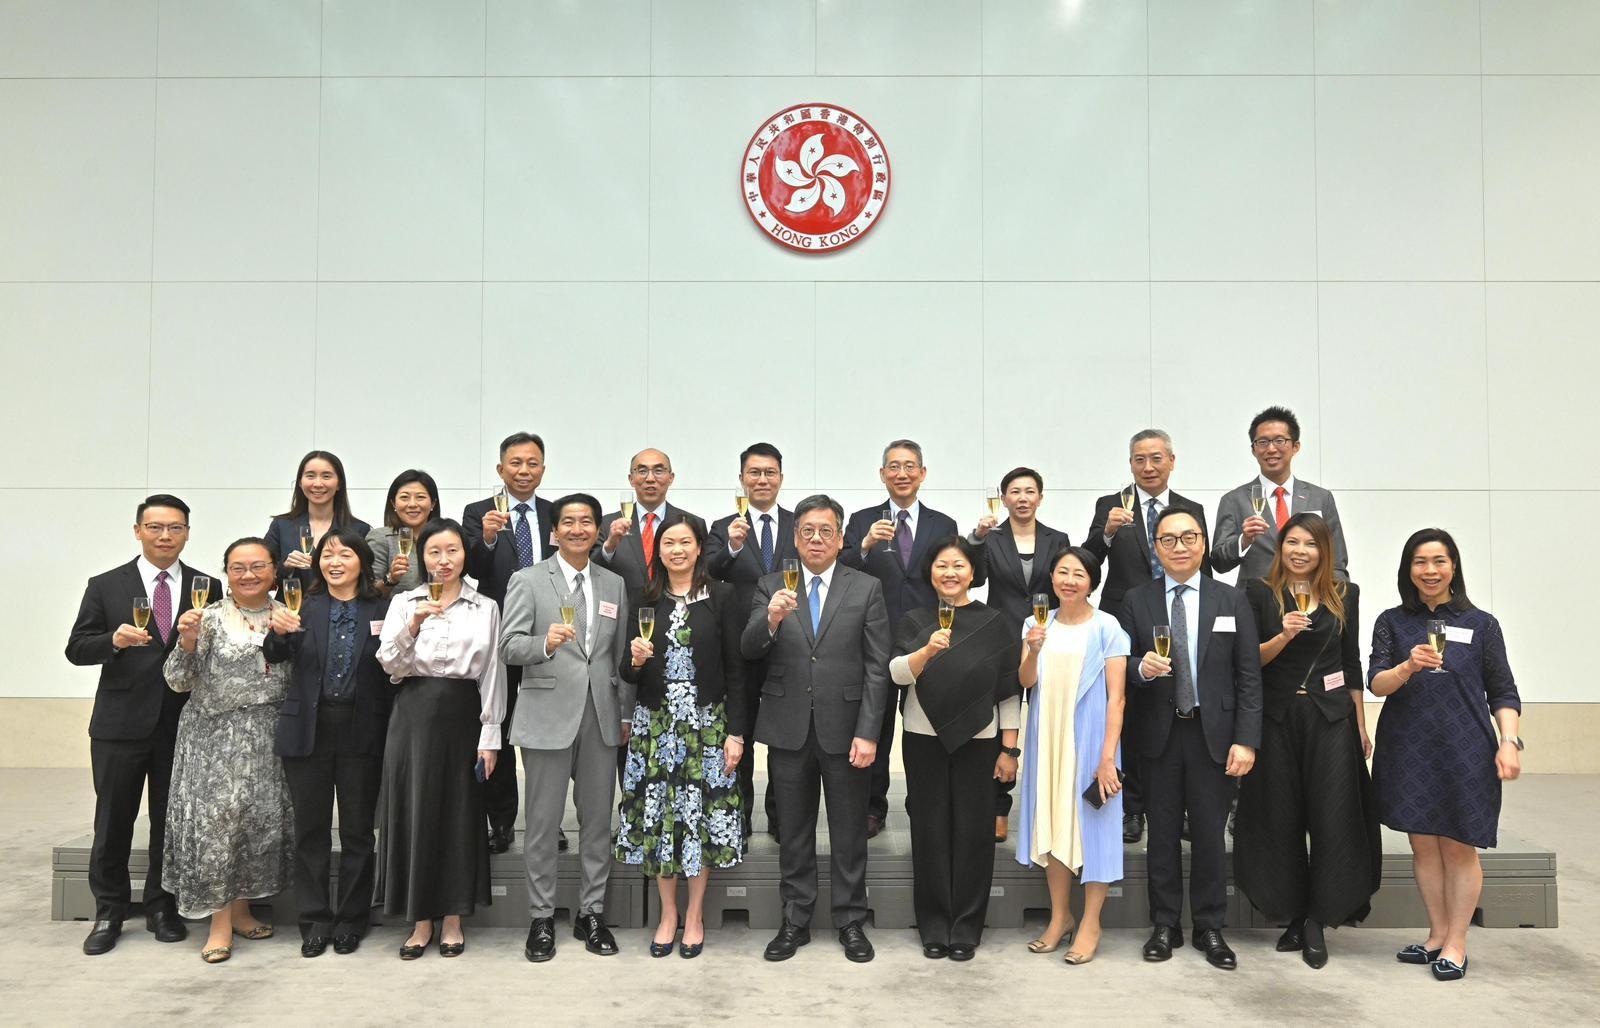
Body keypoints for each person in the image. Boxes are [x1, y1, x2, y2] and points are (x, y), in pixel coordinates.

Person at [742, 495, 891, 964]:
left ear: (841, 537)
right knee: (794, 831)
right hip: (788, 728)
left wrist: (869, 732)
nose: (816, 539)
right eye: (807, 530)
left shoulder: (865, 587)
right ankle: (796, 919)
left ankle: (850, 920)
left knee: (849, 831)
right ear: (795, 537)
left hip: (847, 730)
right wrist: (771, 619)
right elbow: (748, 650)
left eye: (826, 530)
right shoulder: (771, 585)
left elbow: (876, 667)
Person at [1368, 529, 1522, 982]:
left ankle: (1457, 943)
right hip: (1408, 746)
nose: (1429, 571)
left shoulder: (1482, 623)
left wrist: (1509, 740)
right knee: (1422, 844)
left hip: (1467, 748)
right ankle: (1436, 934)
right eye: (1420, 562)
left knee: (1458, 846)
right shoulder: (1392, 622)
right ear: (1408, 569)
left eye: (1439, 561)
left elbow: (1504, 690)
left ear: (1454, 566)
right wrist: (1407, 666)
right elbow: (1377, 683)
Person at [66, 495, 212, 955]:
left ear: (187, 532)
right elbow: (77, 647)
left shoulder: (207, 586)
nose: (165, 536)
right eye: (155, 527)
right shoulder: (106, 585)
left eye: (174, 528)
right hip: (119, 723)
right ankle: (109, 911)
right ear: (137, 531)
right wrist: (112, 639)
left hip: (181, 725)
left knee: (170, 821)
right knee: (113, 821)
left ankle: (162, 906)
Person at [1234, 513, 1380, 969]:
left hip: (1331, 718)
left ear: (1324, 551)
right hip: (1276, 718)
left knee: (1333, 816)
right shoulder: (1258, 593)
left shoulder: (1344, 595)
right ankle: (1294, 913)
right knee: (1280, 817)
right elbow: (1248, 660)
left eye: (1310, 544)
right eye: (1292, 542)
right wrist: (1284, 635)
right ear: (1281, 549)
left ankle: (1321, 917)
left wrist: (1359, 722)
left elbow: (1351, 663)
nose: (1300, 551)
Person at [1118, 508, 1261, 971]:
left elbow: (1248, 676)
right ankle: (1164, 924)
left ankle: (1209, 926)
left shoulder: (1230, 599)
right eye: (1168, 539)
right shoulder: (1136, 600)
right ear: (1156, 547)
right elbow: (1120, 663)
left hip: (1213, 735)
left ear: (1202, 544)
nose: (1179, 546)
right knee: (1159, 835)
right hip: (1158, 733)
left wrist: (1247, 740)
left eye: (1188, 537)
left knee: (1208, 834)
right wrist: (1141, 667)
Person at [500, 494, 632, 962]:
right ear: (554, 531)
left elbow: (617, 658)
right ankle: (541, 917)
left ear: (599, 530)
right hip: (547, 716)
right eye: (569, 522)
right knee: (542, 824)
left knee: (598, 822)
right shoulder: (528, 580)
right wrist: (544, 643)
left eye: (588, 522)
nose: (578, 529)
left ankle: (591, 912)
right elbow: (509, 646)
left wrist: (626, 713)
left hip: (600, 715)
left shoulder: (613, 583)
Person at [376, 519, 507, 960]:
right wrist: (412, 625)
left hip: (463, 715)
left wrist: (490, 735)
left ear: (464, 555)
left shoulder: (484, 606)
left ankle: (453, 918)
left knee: (459, 813)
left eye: (452, 551)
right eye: (434, 552)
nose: (443, 560)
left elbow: (492, 672)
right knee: (414, 812)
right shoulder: (403, 601)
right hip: (412, 715)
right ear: (422, 557)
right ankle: (420, 921)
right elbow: (389, 665)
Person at [617, 515, 747, 958]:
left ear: (699, 550)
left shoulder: (722, 596)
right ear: (659, 551)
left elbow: (736, 670)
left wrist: (737, 734)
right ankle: (667, 913)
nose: (676, 549)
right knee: (660, 821)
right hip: (657, 728)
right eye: (668, 542)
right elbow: (625, 671)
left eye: (685, 542)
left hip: (707, 727)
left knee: (700, 822)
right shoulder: (644, 598)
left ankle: (695, 915)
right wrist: (634, 660)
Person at [840, 440, 984, 838]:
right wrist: (866, 544)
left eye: (909, 466)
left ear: (923, 473)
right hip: (875, 636)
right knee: (877, 723)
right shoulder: (860, 520)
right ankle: (873, 805)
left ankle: (926, 799)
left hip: (928, 636)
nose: (901, 473)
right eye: (893, 466)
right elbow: (842, 570)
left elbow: (953, 576)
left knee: (929, 722)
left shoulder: (942, 524)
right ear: (882, 473)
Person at [161, 537, 294, 963]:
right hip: (213, 737)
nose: (249, 574)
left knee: (254, 823)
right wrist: (185, 641)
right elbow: (177, 681)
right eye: (238, 567)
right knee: (218, 825)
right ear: (226, 573)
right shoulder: (208, 618)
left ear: (274, 572)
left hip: (269, 736)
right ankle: (218, 924)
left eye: (258, 566)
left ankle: (241, 910)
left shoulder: (289, 615)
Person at [890, 536, 1020, 961]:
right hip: (922, 736)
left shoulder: (994, 622)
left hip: (981, 739)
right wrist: (926, 651)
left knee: (973, 832)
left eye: (958, 565)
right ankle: (933, 925)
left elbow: (1008, 690)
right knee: (928, 831)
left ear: (972, 573)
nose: (950, 573)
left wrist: (1009, 749)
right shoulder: (913, 619)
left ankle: (966, 926)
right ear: (930, 571)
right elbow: (895, 674)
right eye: (942, 565)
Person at [265, 527, 392, 958]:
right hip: (308, 730)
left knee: (358, 832)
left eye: (344, 555)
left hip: (362, 728)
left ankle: (352, 920)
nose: (334, 562)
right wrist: (279, 632)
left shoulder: (385, 606)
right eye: (327, 555)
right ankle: (315, 919)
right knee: (311, 832)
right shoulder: (304, 604)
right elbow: (275, 654)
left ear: (362, 561)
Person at [1083, 429, 1210, 845]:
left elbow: (1201, 565)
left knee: (1181, 705)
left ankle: (1186, 807)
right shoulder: (1111, 505)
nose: (1148, 467)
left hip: (1179, 614)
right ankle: (1132, 807)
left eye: (1156, 458)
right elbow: (1088, 563)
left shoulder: (1191, 508)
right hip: (1126, 618)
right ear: (1130, 464)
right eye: (1139, 459)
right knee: (1133, 710)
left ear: (1173, 461)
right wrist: (1105, 533)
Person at [1015, 547, 1129, 966]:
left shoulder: (1108, 627)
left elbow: (1117, 699)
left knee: (1095, 828)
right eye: (1061, 571)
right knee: (1053, 821)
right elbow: (1026, 682)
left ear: (1091, 581)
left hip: (1093, 742)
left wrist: (1107, 758)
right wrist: (1033, 649)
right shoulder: (1035, 623)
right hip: (1049, 738)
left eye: (1078, 573)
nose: (1068, 579)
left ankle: (1091, 923)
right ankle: (1060, 916)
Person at [463, 432, 558, 855]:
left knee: (544, 732)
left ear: (543, 468)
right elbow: (472, 569)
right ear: (500, 470)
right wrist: (483, 538)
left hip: (549, 635)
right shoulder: (478, 512)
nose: (524, 471)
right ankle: (500, 823)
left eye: (532, 463)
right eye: (515, 463)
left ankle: (547, 822)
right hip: (499, 633)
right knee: (496, 726)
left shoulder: (556, 513)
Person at [971, 466, 1070, 843]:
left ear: (1040, 498)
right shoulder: (991, 538)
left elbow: (1066, 582)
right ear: (1004, 498)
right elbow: (976, 579)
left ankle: (1048, 803)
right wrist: (977, 539)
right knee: (1000, 722)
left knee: (1047, 718)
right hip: (1002, 637)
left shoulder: (1057, 538)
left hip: (1046, 637)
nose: (1023, 498)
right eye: (1015, 491)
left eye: (1030, 491)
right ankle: (999, 807)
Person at [704, 441, 797, 841]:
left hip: (791, 644)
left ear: (780, 477)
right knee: (737, 732)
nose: (762, 479)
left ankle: (780, 818)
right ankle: (738, 818)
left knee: (784, 737)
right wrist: (733, 547)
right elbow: (708, 570)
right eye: (754, 473)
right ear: (742, 479)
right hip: (739, 644)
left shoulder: (800, 523)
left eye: (769, 472)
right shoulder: (723, 527)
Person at [1211, 405, 1350, 581]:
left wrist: (1335, 604)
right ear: (1253, 449)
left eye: (1279, 440)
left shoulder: (1321, 498)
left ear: (1295, 446)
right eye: (1262, 442)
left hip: (1308, 600)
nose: (1271, 449)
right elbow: (1218, 562)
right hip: (1254, 604)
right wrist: (1243, 541)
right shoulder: (1234, 500)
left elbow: (1336, 562)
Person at [595, 448, 706, 604]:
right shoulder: (607, 525)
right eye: (642, 471)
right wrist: (609, 547)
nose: (650, 478)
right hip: (624, 613)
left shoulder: (691, 523)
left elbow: (703, 573)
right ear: (631, 479)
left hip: (677, 613)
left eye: (659, 471)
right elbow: (591, 570)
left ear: (671, 478)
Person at [265, 450, 370, 589]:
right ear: (300, 483)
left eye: (326, 476)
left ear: (339, 483)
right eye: (310, 476)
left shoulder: (359, 529)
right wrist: (286, 567)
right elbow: (262, 571)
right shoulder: (281, 525)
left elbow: (367, 578)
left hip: (340, 608)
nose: (318, 483)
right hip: (291, 608)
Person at [368, 469, 439, 595]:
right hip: (395, 613)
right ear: (393, 503)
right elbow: (369, 593)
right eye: (404, 497)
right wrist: (391, 578)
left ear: (433, 503)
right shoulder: (381, 538)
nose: (412, 504)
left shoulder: (444, 537)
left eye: (420, 497)